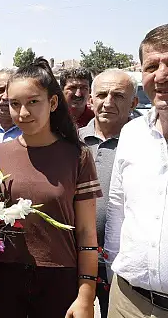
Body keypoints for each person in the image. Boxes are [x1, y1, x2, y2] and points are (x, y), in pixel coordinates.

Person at [0, 58, 101, 318]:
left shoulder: (77, 156)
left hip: (58, 279)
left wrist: (86, 294)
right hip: (2, 276)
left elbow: (85, 232)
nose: (23, 113)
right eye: (15, 104)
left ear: (53, 103)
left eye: (33, 102)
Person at [105, 24, 168, 317]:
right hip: (128, 301)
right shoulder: (132, 133)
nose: (161, 75)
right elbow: (118, 209)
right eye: (152, 66)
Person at [77, 69, 138, 318]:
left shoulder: (144, 143)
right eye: (101, 94)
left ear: (134, 103)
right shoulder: (72, 141)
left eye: (119, 96)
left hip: (124, 264)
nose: (108, 102)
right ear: (90, 100)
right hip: (76, 259)